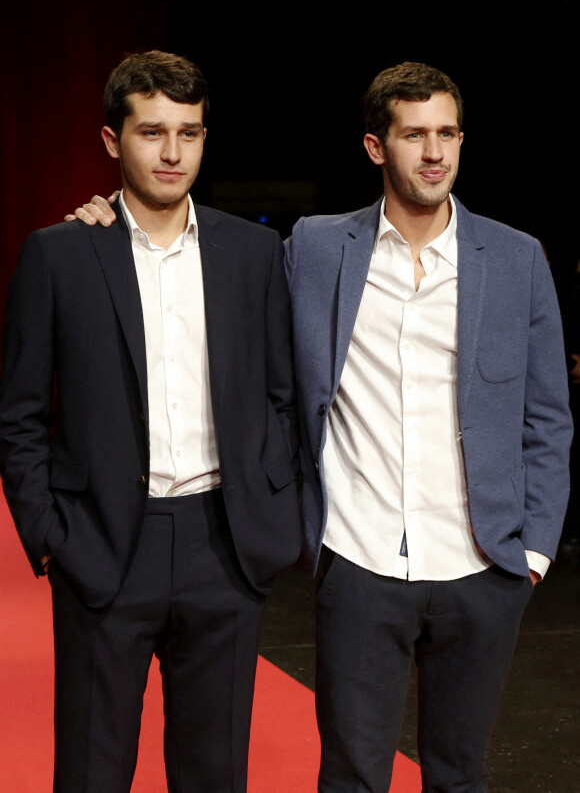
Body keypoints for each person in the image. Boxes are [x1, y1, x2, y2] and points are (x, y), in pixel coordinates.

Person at [71, 61, 573, 792]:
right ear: (378, 148)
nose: (434, 153)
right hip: (358, 558)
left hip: (483, 566)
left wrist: (533, 550)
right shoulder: (313, 250)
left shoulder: (518, 259)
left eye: (447, 135)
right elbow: (197, 258)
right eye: (414, 135)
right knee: (350, 775)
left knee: (461, 775)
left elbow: (548, 416)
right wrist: (107, 219)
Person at [0, 50, 301, 793]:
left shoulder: (255, 252)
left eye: (190, 133)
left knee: (214, 775)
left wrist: (271, 515)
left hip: (223, 547)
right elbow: (21, 412)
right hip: (102, 546)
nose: (172, 153)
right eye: (152, 132)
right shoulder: (60, 255)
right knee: (92, 771)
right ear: (112, 141)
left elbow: (282, 394)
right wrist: (51, 536)